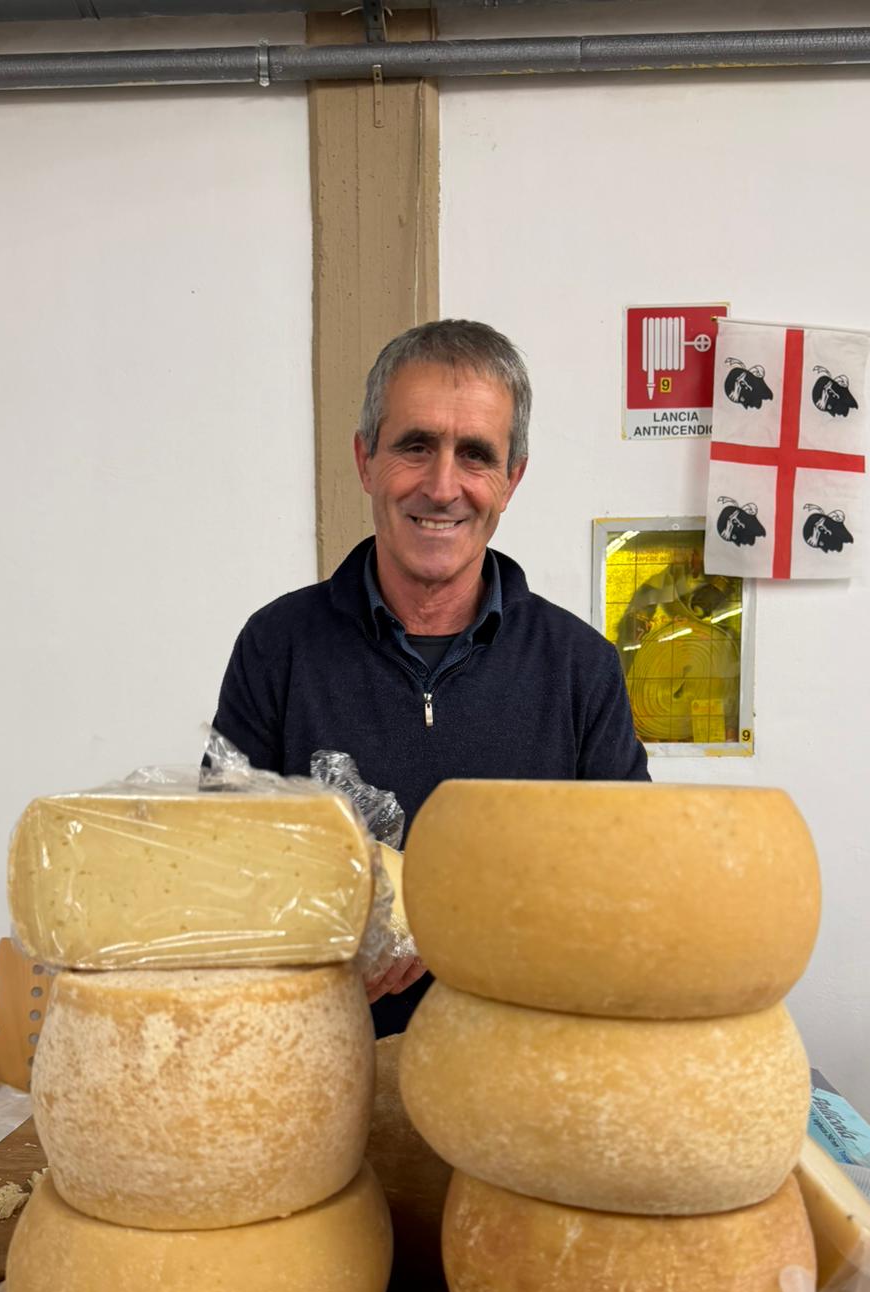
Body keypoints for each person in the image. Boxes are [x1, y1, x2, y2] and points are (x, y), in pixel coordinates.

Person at [214, 319, 648, 1035]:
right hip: (320, 1065)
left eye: (475, 455)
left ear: (511, 480)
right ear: (365, 460)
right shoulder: (276, 647)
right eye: (415, 446)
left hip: (522, 1072)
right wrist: (324, 945)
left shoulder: (581, 668)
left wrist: (460, 922)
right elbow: (218, 880)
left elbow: (631, 897)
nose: (443, 487)